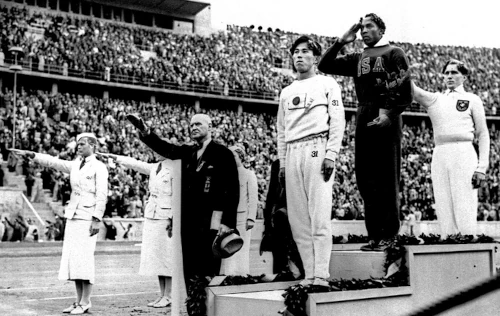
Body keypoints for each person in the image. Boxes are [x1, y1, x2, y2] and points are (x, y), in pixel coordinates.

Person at [318, 13, 413, 251]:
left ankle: (389, 234)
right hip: (363, 113)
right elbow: (324, 65)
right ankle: (374, 235)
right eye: (361, 28)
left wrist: (389, 113)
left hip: (386, 114)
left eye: (369, 26)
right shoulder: (358, 57)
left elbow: (405, 91)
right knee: (365, 177)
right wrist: (341, 42)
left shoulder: (394, 53)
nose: (364, 31)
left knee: (387, 177)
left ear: (381, 30)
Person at [127, 113, 239, 295]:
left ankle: (209, 310)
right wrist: (145, 131)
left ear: (210, 127)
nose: (193, 127)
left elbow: (232, 189)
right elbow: (164, 148)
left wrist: (227, 222)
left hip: (212, 219)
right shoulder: (188, 152)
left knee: (209, 267)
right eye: (191, 125)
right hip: (188, 220)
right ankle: (193, 307)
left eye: (198, 124)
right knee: (189, 269)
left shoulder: (222, 153)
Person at [10, 132, 108, 315]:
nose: (79, 147)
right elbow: (53, 162)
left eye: (83, 144)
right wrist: (32, 154)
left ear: (93, 145)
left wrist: (97, 219)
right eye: (78, 144)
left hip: (88, 217)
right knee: (74, 259)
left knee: (84, 259)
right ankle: (79, 301)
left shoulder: (100, 167)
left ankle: (86, 301)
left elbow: (102, 194)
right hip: (73, 215)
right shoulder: (75, 165)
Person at [277, 35, 346, 286]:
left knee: (318, 215)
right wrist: (283, 163)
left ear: (316, 58)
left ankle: (322, 274)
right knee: (298, 219)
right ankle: (309, 274)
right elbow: (281, 131)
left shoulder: (327, 84)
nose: (299, 55)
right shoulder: (286, 92)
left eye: (305, 51)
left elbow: (338, 119)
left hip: (317, 147)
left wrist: (331, 154)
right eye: (295, 51)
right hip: (293, 150)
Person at [411, 59, 490, 236]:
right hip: (440, 151)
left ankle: (468, 240)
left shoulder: (472, 100)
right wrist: (404, 73)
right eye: (446, 73)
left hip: (463, 151)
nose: (449, 76)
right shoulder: (436, 99)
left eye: (454, 72)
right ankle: (447, 240)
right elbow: (415, 92)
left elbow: (483, 134)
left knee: (464, 202)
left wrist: (482, 167)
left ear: (464, 76)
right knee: (443, 202)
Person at [98, 151, 175, 308]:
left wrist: (173, 218)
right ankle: (162, 294)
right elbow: (135, 164)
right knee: (157, 258)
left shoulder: (175, 168)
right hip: (153, 214)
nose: (156, 152)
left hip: (166, 216)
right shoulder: (155, 167)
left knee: (167, 256)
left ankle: (169, 295)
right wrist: (116, 158)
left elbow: (178, 196)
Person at [220, 144, 258, 276]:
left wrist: (251, 218)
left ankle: (241, 274)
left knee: (241, 246)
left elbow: (253, 198)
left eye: (234, 156)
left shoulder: (248, 174)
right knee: (226, 245)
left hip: (242, 217)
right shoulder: (225, 175)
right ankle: (228, 275)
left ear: (240, 157)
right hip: (227, 218)